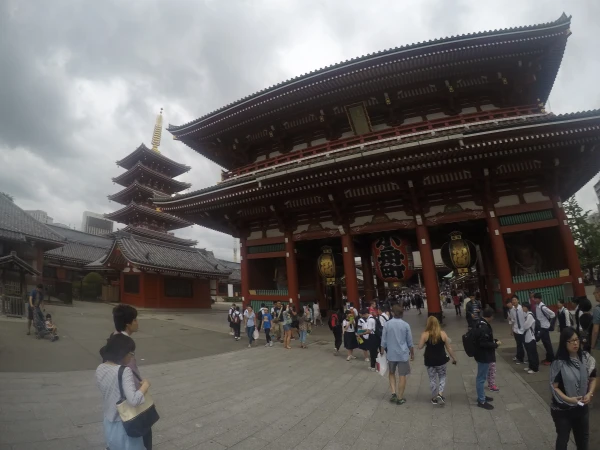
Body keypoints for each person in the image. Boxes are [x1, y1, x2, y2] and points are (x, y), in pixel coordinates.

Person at [96, 333, 150, 450]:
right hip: (124, 424)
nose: (131, 357)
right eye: (131, 353)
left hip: (109, 421)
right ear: (122, 353)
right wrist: (145, 386)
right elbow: (134, 400)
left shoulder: (100, 368)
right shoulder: (124, 371)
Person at [549, 327, 596, 450]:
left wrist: (589, 393)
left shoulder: (586, 358)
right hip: (562, 410)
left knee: (583, 439)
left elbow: (593, 378)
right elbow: (555, 388)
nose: (575, 343)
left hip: (581, 406)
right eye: (571, 341)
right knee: (563, 439)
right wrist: (570, 400)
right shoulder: (558, 363)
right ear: (564, 343)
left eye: (577, 340)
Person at [418, 316, 457, 405]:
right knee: (442, 377)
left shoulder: (425, 334)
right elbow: (449, 347)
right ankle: (440, 393)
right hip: (441, 359)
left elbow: (419, 347)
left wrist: (424, 342)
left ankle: (434, 397)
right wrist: (454, 358)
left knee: (432, 379)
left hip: (429, 360)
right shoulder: (443, 334)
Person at [381, 304, 414, 405]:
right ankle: (400, 397)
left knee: (391, 373)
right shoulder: (405, 325)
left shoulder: (387, 324)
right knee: (402, 375)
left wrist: (382, 351)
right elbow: (410, 342)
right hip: (403, 354)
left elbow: (384, 340)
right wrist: (412, 353)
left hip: (391, 353)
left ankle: (393, 393)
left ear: (392, 313)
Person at [472, 307, 500, 410]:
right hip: (483, 355)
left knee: (481, 377)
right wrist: (494, 344)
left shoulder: (479, 322)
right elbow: (483, 343)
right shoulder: (484, 327)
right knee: (481, 378)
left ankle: (482, 395)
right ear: (491, 316)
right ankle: (481, 400)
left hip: (480, 354)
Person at [534, 292, 556, 365]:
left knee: (547, 343)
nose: (535, 300)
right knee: (545, 343)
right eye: (535, 298)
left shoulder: (543, 307)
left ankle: (551, 359)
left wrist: (549, 322)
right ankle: (548, 358)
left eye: (537, 298)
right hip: (541, 327)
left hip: (544, 327)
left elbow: (553, 314)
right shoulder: (537, 306)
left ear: (540, 299)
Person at [507, 296, 527, 365]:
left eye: (515, 300)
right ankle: (520, 358)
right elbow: (513, 320)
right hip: (516, 329)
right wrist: (512, 329)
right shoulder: (512, 310)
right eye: (512, 300)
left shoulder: (522, 308)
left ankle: (526, 358)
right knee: (519, 344)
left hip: (523, 329)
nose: (514, 301)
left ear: (518, 300)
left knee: (525, 344)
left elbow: (526, 317)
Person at [521, 302, 539, 374]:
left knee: (532, 353)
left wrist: (523, 326)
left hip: (531, 337)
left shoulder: (530, 315)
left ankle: (535, 368)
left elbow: (525, 326)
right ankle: (530, 366)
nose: (522, 308)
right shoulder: (527, 315)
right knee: (529, 353)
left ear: (526, 307)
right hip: (527, 337)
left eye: (523, 307)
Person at [590, 283, 600, 363]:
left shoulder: (597, 310)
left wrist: (592, 345)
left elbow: (595, 331)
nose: (594, 295)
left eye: (594, 293)